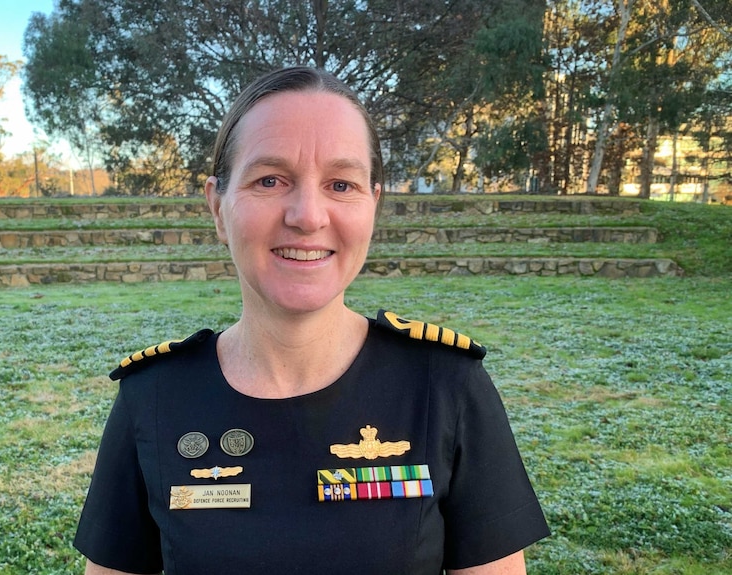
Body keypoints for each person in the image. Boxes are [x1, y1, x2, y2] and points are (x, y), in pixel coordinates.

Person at [73, 66, 550, 575]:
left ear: (373, 204)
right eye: (270, 180)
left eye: (341, 184)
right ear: (217, 206)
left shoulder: (445, 386)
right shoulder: (154, 397)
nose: (307, 215)